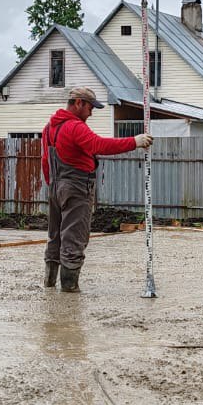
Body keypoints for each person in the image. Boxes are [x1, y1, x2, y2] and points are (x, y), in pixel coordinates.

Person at [42, 87, 153, 292]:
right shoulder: (75, 127)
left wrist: (53, 185)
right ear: (78, 103)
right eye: (90, 107)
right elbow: (98, 145)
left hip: (56, 187)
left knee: (55, 235)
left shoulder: (50, 127)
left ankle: (49, 282)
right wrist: (134, 142)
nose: (91, 113)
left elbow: (45, 160)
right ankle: (69, 289)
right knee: (74, 237)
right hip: (77, 187)